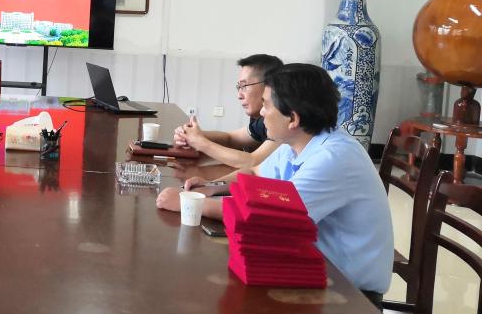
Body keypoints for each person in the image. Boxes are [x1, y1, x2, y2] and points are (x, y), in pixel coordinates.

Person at [156, 63, 393, 300]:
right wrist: (211, 187)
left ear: (293, 119)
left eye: (267, 105)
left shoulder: (333, 158)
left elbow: (270, 217)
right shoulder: (297, 142)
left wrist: (191, 203)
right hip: (312, 270)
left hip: (351, 294)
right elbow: (256, 172)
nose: (261, 113)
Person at [172, 54, 283, 169]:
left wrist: (201, 142)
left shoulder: (282, 119)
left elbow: (252, 162)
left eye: (244, 86)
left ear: (268, 86)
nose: (239, 95)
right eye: (239, 87)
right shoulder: (261, 121)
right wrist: (190, 135)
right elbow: (230, 138)